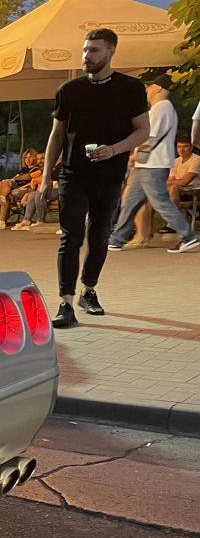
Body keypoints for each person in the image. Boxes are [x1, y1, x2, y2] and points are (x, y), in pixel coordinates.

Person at [39, 28, 150, 328]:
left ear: (111, 51)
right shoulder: (70, 90)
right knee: (70, 237)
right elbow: (57, 134)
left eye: (95, 51)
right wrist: (46, 177)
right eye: (85, 50)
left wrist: (114, 149)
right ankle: (65, 302)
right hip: (73, 175)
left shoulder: (131, 89)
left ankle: (88, 291)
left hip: (110, 176)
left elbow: (143, 131)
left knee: (100, 236)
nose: (87, 56)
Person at [108, 75, 199, 256]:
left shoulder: (162, 107)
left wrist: (135, 155)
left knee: (160, 202)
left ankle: (188, 236)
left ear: (158, 88)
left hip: (153, 164)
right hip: (147, 164)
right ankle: (116, 240)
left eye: (149, 87)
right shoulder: (158, 109)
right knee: (130, 201)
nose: (147, 91)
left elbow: (151, 137)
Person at [0, 149, 39, 229]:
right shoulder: (24, 169)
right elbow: (15, 178)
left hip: (24, 190)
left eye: (30, 157)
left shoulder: (37, 170)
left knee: (3, 192)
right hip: (15, 187)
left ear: (35, 158)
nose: (27, 160)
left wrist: (19, 178)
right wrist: (17, 178)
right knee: (0, 184)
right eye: (25, 157)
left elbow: (29, 178)